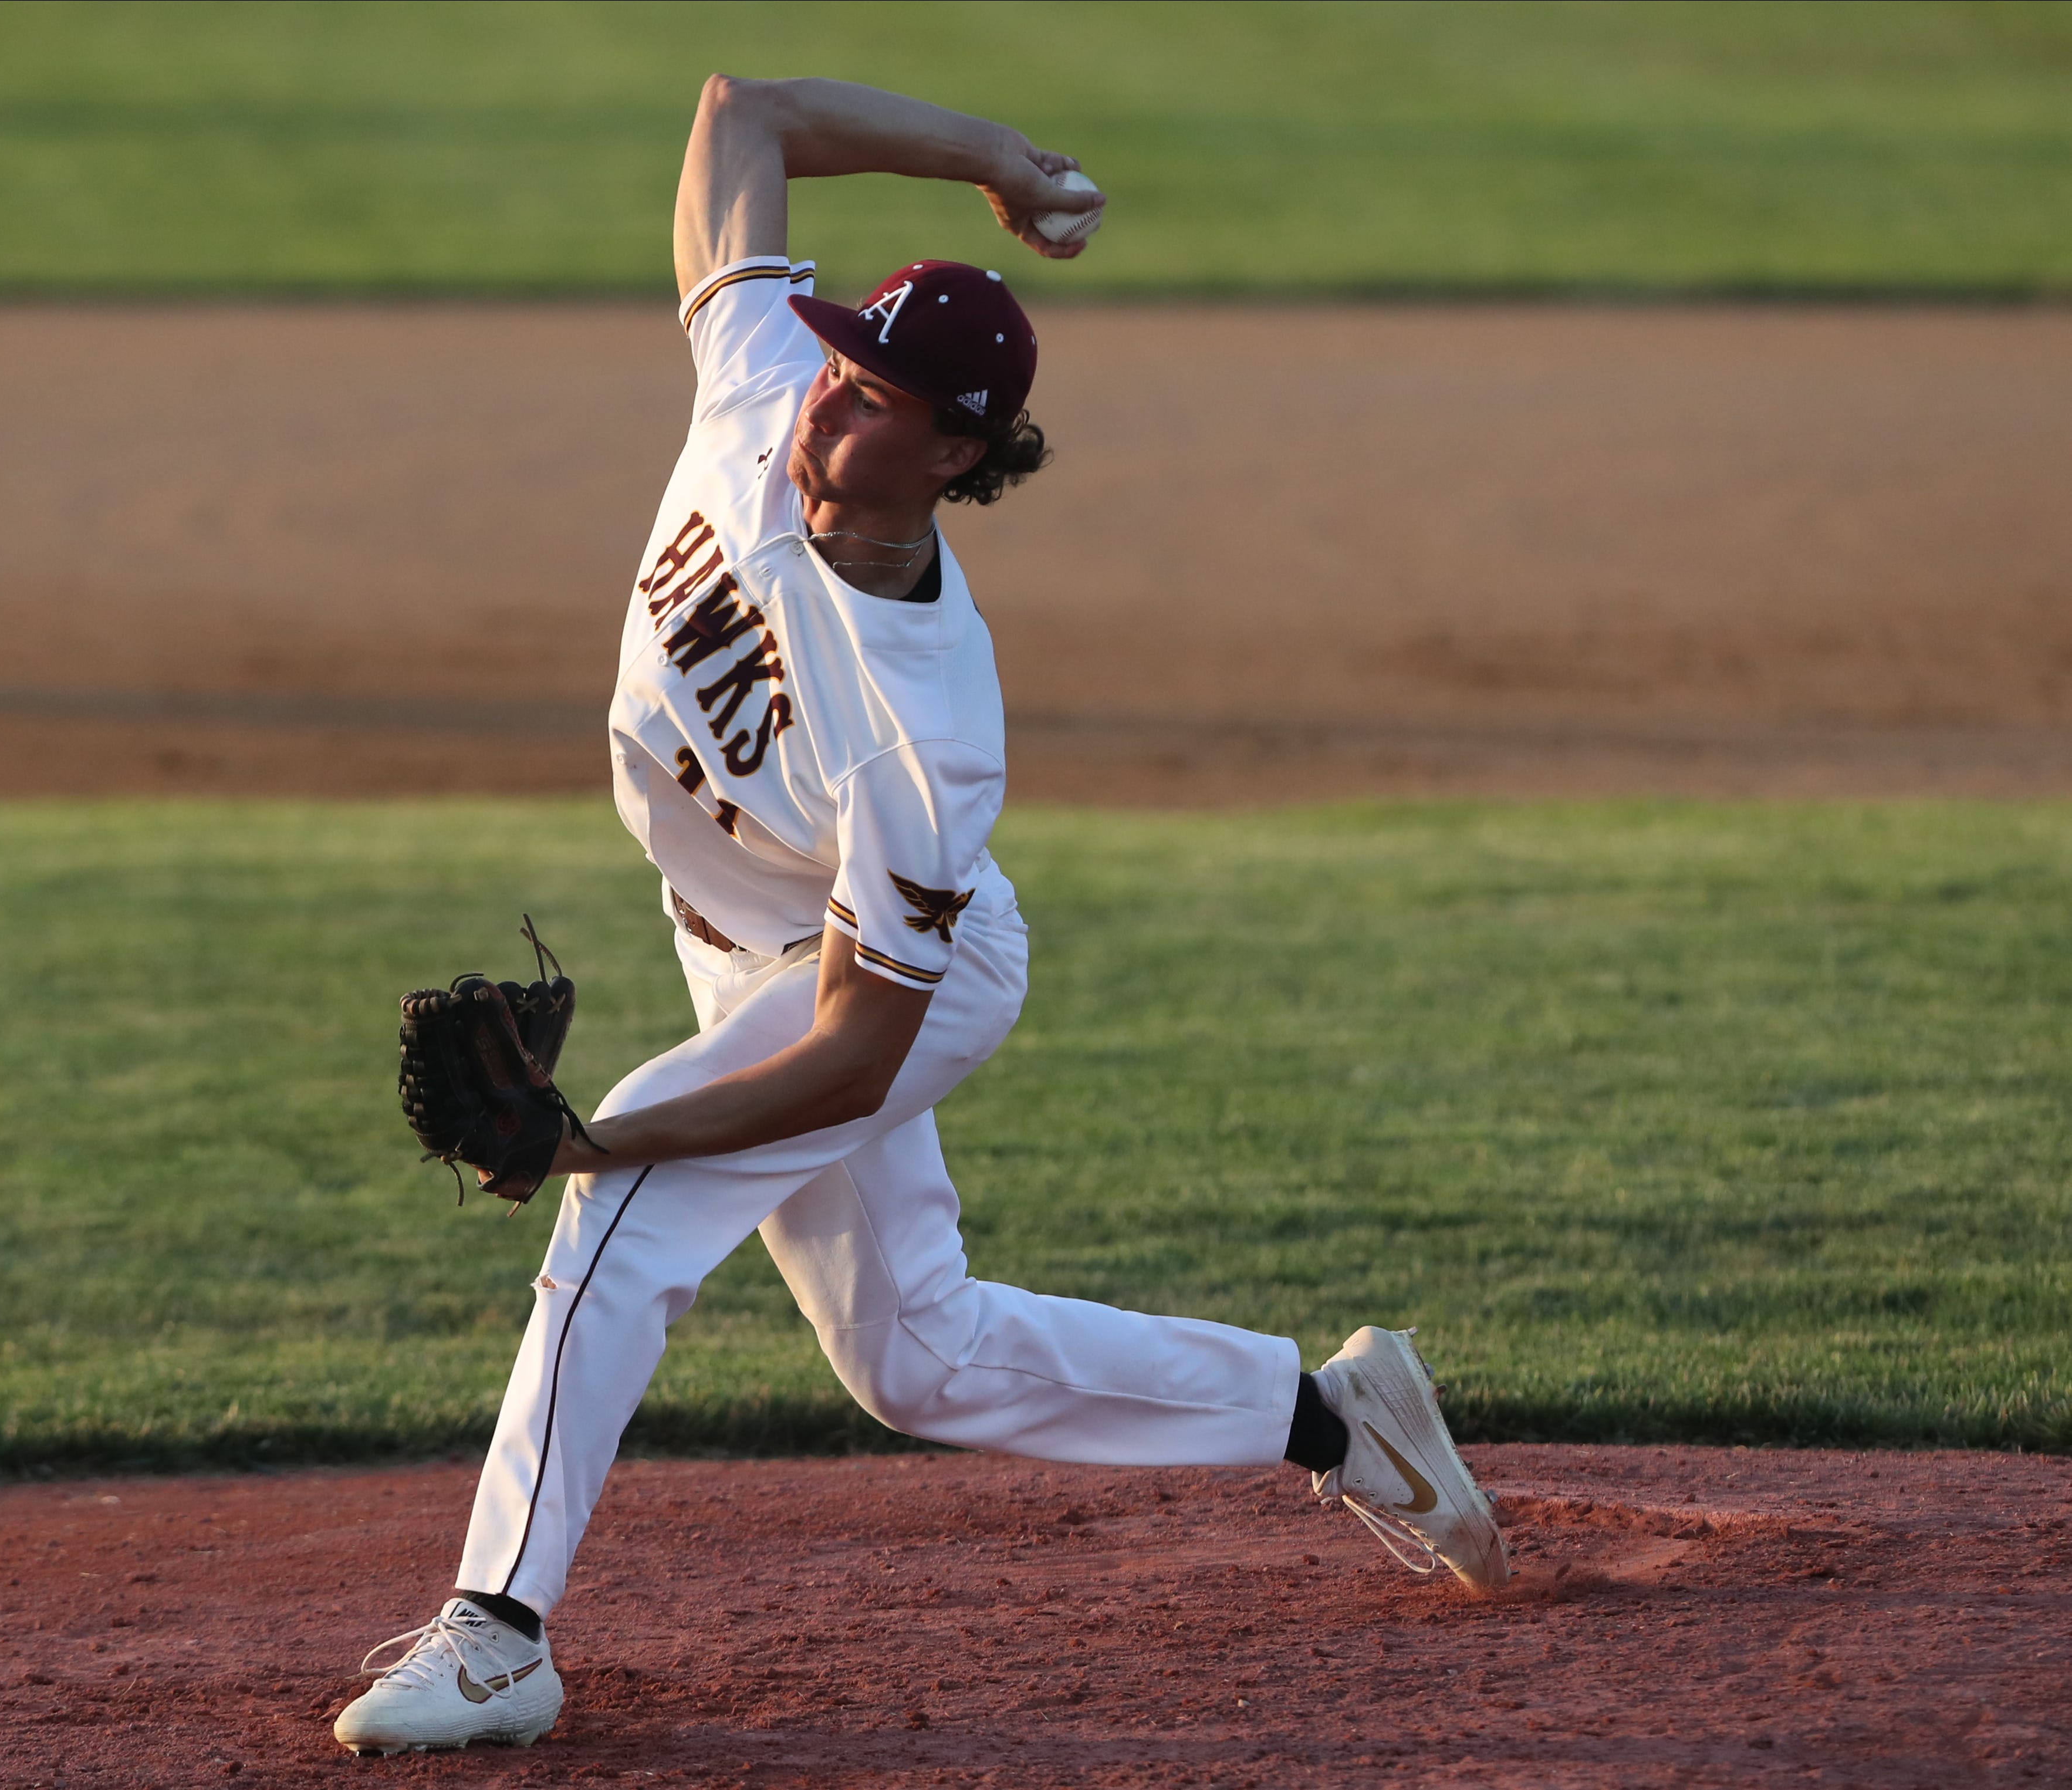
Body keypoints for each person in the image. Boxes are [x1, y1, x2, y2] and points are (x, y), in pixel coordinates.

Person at [334, 74, 1506, 1759]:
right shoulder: (761, 387)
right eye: (837, 360)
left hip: (889, 981)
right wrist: (994, 161)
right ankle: (1335, 1416)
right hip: (743, 943)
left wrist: (601, 1144)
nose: (830, 401)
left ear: (956, 451)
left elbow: (848, 1049)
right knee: (915, 1359)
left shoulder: (922, 728)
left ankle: (499, 1630)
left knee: (620, 1224)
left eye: (876, 397)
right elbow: (740, 120)